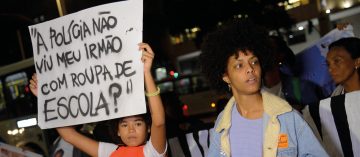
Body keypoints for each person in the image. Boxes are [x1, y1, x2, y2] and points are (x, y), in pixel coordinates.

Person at [199, 19, 328, 157]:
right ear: (226, 76)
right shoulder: (222, 124)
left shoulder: (286, 116)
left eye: (254, 62)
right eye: (239, 65)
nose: (250, 69)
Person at [29, 43, 167, 157]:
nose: (131, 130)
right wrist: (45, 98)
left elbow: (159, 121)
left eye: (137, 124)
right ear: (118, 130)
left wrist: (146, 72)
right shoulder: (110, 152)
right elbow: (69, 135)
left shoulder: (153, 151)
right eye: (124, 125)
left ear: (148, 128)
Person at [263, 35, 326, 111]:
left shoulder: (302, 88)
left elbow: (318, 116)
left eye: (268, 50)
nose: (263, 54)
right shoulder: (248, 90)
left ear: (280, 56)